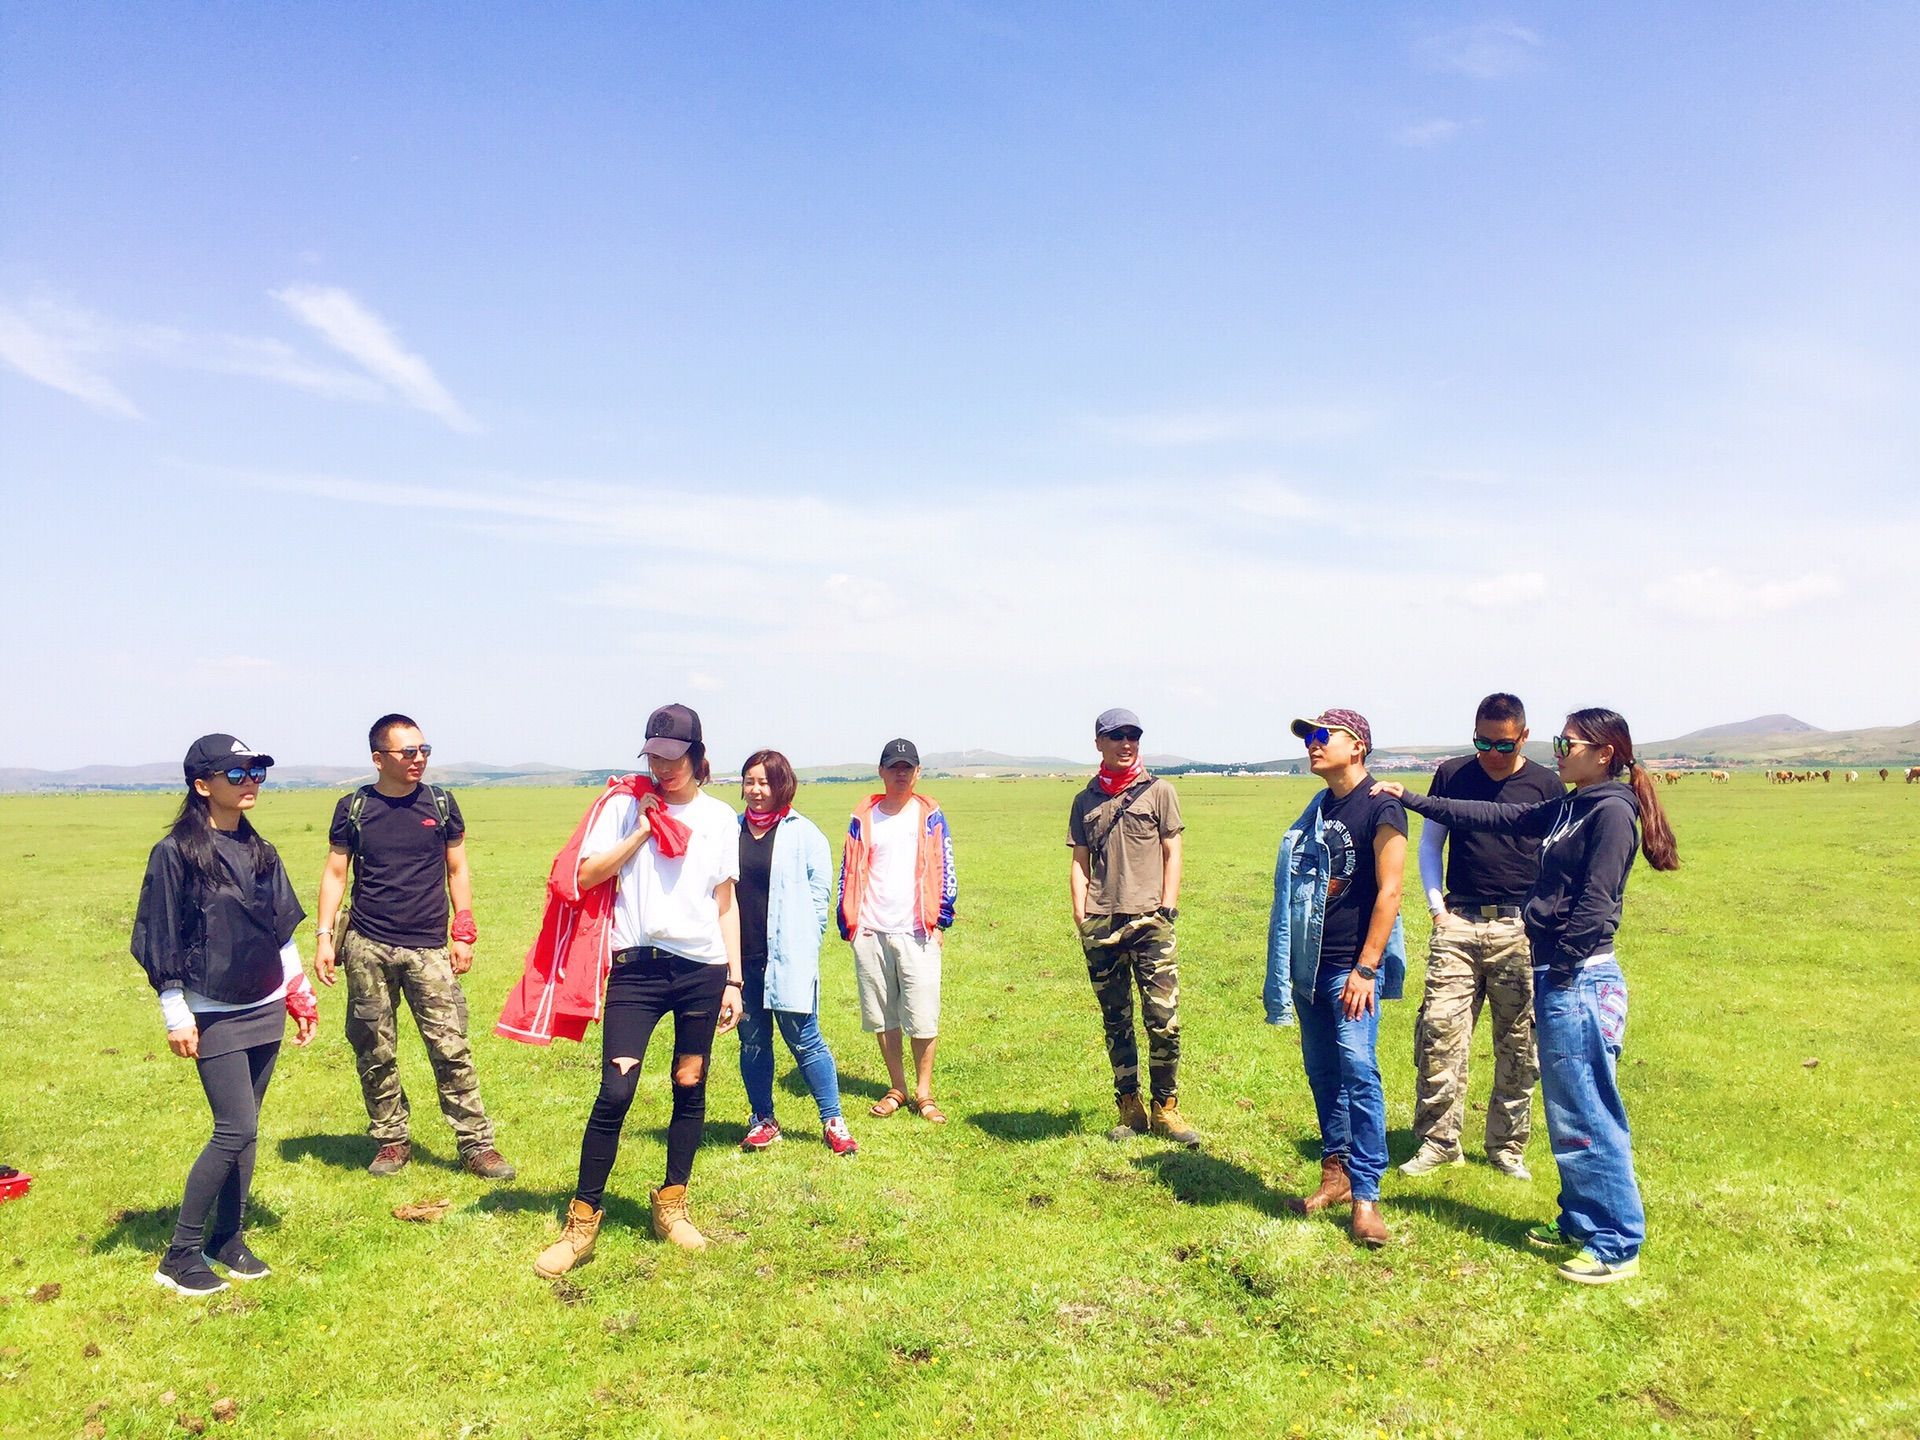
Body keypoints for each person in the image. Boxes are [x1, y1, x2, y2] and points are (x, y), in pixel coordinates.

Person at [1373, 707, 1678, 1284]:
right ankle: (1581, 1220)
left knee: (1589, 1111)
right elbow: (1492, 814)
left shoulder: (1611, 812)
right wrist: (1413, 797)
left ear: (1604, 753)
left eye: (1569, 742)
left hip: (1580, 979)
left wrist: (1559, 967)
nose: (1559, 751)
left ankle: (1614, 1243)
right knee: (1568, 1111)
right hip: (1561, 975)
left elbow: (1597, 902)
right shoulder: (1572, 805)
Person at [535, 704, 743, 1276]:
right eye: (653, 755)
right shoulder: (625, 806)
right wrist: (642, 832)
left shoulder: (721, 818)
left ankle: (672, 1205)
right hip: (637, 969)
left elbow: (725, 901)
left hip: (701, 968)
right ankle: (581, 1223)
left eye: (673, 757)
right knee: (616, 1091)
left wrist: (734, 978)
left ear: (699, 757)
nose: (662, 767)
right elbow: (584, 875)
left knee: (689, 1083)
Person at [131, 735, 318, 1296]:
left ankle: (228, 1238)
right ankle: (180, 1254)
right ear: (202, 784)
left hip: (265, 1003)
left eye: (256, 771)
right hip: (211, 1010)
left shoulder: (260, 850)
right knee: (233, 1126)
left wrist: (298, 992)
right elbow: (160, 934)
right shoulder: (175, 854)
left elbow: (278, 928)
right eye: (237, 774)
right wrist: (174, 1011)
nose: (250, 782)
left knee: (249, 1129)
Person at [313, 714, 514, 1180]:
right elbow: (336, 873)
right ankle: (390, 1140)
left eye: (424, 750)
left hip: (428, 948)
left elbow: (457, 869)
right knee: (373, 1047)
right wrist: (325, 937)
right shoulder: (354, 808)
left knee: (450, 1046)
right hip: (367, 945)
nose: (418, 759)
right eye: (408, 752)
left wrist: (463, 930)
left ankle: (476, 1145)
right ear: (378, 758)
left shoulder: (441, 804)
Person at [1402, 693, 1565, 1181]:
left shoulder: (1546, 784)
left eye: (1503, 744)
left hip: (1520, 929)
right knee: (1439, 1034)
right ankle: (1437, 1142)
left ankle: (1507, 1148)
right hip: (1458, 922)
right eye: (1482, 742)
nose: (1492, 753)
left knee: (1520, 1045)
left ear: (1524, 737)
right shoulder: (1452, 775)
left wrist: (1541, 922)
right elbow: (1432, 842)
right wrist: (1437, 910)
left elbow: (1556, 859)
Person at [1264, 709, 1407, 1248]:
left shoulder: (1381, 807)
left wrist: (1367, 968)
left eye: (1324, 737)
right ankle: (1335, 1175)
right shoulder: (1319, 809)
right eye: (1308, 738)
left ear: (1359, 745)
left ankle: (1367, 1196)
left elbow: (1390, 891)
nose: (1312, 746)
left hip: (1352, 969)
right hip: (1311, 968)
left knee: (1359, 1071)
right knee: (1325, 1074)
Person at [1067, 708, 1197, 1147]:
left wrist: (1168, 908)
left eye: (1133, 736)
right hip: (1102, 921)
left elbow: (1172, 851)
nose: (1127, 743)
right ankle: (1130, 1107)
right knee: (1115, 1019)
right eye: (1117, 736)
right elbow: (1079, 862)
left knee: (1164, 1020)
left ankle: (1167, 1108)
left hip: (1150, 921)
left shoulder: (1160, 791)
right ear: (1099, 743)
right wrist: (1081, 914)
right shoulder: (1085, 800)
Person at [735, 750, 857, 1156]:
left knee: (804, 1038)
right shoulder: (730, 832)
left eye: (764, 782)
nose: (756, 790)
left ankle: (833, 1120)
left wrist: (805, 946)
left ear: (781, 785)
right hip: (742, 957)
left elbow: (820, 898)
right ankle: (763, 1119)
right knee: (752, 1040)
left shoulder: (804, 834)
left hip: (787, 957)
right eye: (750, 781)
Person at [838, 738, 957, 1124]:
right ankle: (897, 1087)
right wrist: (850, 923)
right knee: (883, 1015)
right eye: (894, 767)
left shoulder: (931, 815)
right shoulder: (864, 817)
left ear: (918, 772)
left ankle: (924, 1093)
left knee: (922, 1015)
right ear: (882, 771)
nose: (901, 774)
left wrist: (941, 921)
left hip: (917, 929)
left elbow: (946, 867)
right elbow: (849, 869)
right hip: (871, 929)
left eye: (908, 767)